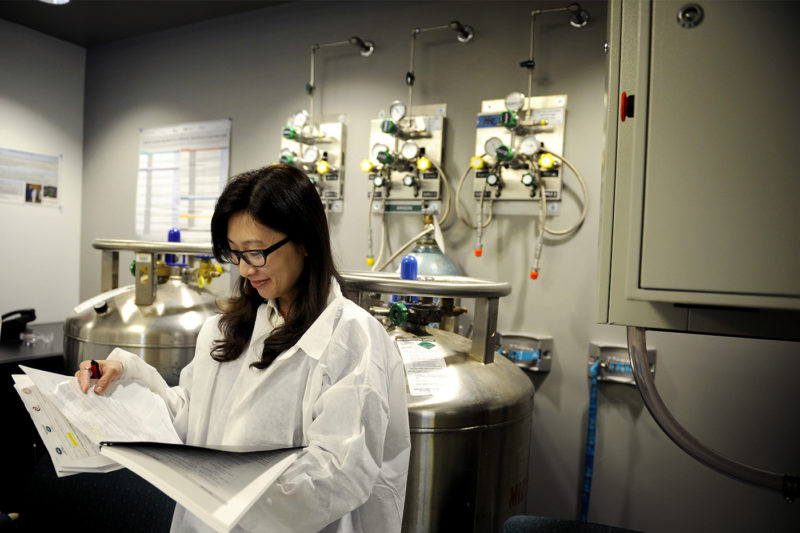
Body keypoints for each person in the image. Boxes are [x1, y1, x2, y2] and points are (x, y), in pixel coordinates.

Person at [75, 164, 411, 532]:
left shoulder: (351, 337)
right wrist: (125, 380)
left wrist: (237, 490)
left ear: (304, 241)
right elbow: (191, 418)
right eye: (234, 253)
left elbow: (339, 475)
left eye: (255, 252)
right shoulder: (224, 329)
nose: (246, 269)